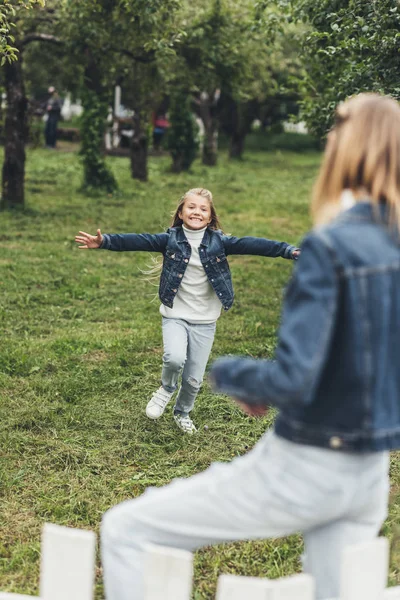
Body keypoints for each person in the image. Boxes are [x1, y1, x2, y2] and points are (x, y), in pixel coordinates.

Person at [100, 93, 400, 600]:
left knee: (126, 530)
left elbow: (293, 378)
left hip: (308, 462)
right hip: (371, 472)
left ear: (351, 149)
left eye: (336, 131)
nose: (328, 141)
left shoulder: (332, 246)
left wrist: (234, 375)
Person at [75, 188, 299, 434]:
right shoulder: (169, 239)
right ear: (181, 213)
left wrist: (287, 250)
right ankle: (166, 388)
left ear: (210, 217)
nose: (197, 211)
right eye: (191, 207)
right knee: (174, 358)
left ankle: (182, 412)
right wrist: (104, 241)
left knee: (193, 380)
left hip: (205, 321)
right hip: (176, 316)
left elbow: (255, 245)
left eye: (203, 209)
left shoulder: (219, 242)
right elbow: (136, 240)